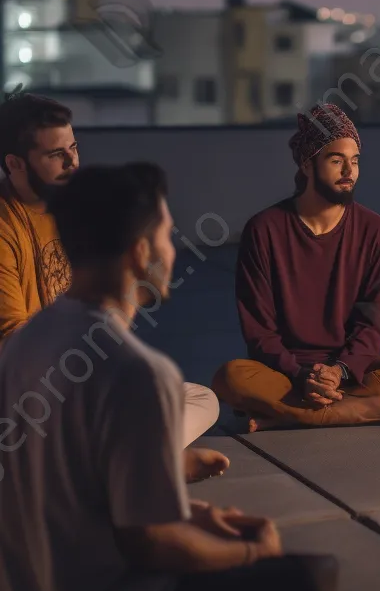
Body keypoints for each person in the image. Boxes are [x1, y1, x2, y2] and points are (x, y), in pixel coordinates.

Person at [0, 164, 338, 591]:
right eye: (166, 235)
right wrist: (250, 553)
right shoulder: (138, 371)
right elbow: (148, 543)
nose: (172, 250)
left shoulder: (26, 341)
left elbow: (74, 492)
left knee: (213, 539)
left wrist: (197, 514)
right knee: (313, 577)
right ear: (140, 251)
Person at [0, 92, 225, 482]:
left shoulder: (74, 208)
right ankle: (134, 461)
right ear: (15, 164)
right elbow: (13, 343)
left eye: (74, 148)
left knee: (197, 397)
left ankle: (122, 460)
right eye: (56, 155)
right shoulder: (6, 226)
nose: (73, 162)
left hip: (77, 388)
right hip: (28, 394)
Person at [212, 103, 380, 429]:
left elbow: (371, 325)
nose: (349, 171)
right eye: (336, 161)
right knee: (230, 377)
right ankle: (362, 411)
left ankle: (283, 416)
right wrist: (301, 375)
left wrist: (337, 372)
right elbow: (259, 331)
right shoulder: (265, 229)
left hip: (347, 370)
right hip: (284, 370)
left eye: (355, 161)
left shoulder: (377, 232)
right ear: (307, 165)